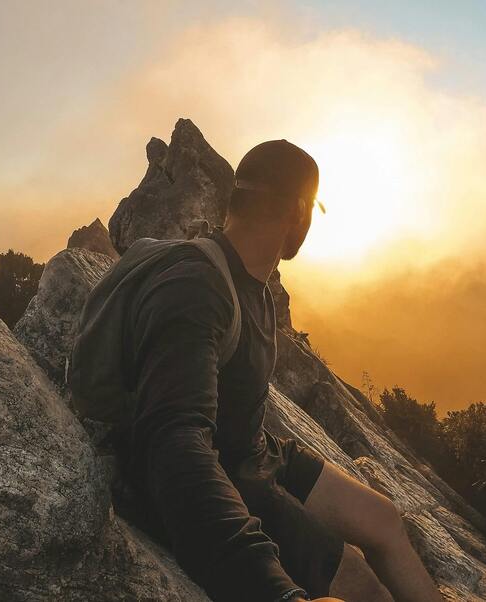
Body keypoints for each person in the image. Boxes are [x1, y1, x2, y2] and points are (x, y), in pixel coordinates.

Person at [121, 139, 443, 602]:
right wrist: (274, 591)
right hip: (221, 471)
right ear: (298, 210)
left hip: (253, 450)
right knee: (362, 588)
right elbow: (175, 443)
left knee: (383, 521)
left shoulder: (249, 277)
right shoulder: (197, 289)